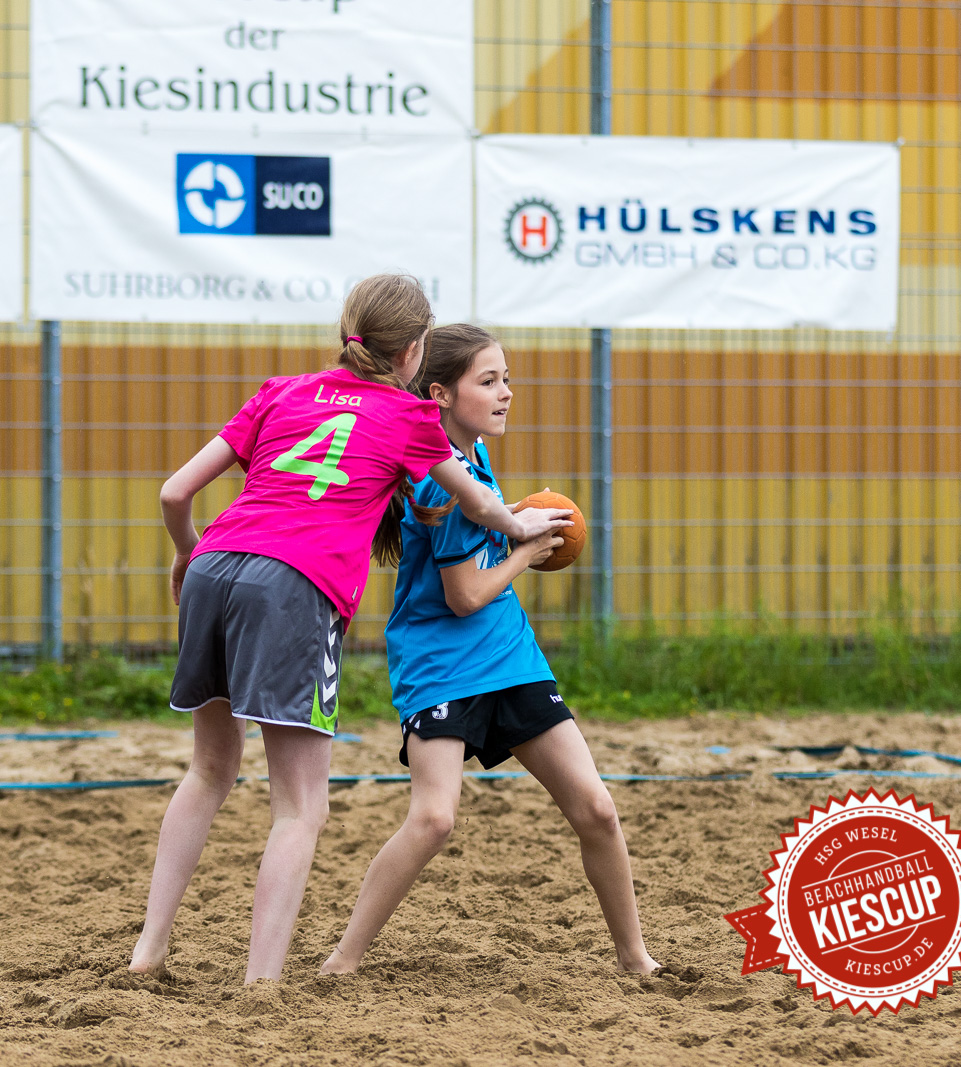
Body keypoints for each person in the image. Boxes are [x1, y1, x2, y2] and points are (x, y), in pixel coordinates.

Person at [128, 277, 573, 983]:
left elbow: (174, 491)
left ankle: (147, 951)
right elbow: (475, 498)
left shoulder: (280, 390)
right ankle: (260, 984)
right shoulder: (407, 415)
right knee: (300, 806)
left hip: (214, 567)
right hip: (292, 587)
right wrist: (520, 527)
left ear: (348, 330)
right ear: (416, 350)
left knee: (209, 768)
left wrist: (186, 551)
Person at [319, 323, 660, 977]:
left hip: (511, 658)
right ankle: (342, 960)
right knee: (434, 818)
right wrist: (529, 549)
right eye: (490, 380)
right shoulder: (442, 482)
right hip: (440, 665)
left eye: (507, 378)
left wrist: (518, 522)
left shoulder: (469, 456)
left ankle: (636, 959)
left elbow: (483, 569)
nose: (507, 392)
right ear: (441, 393)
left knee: (596, 808)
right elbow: (465, 596)